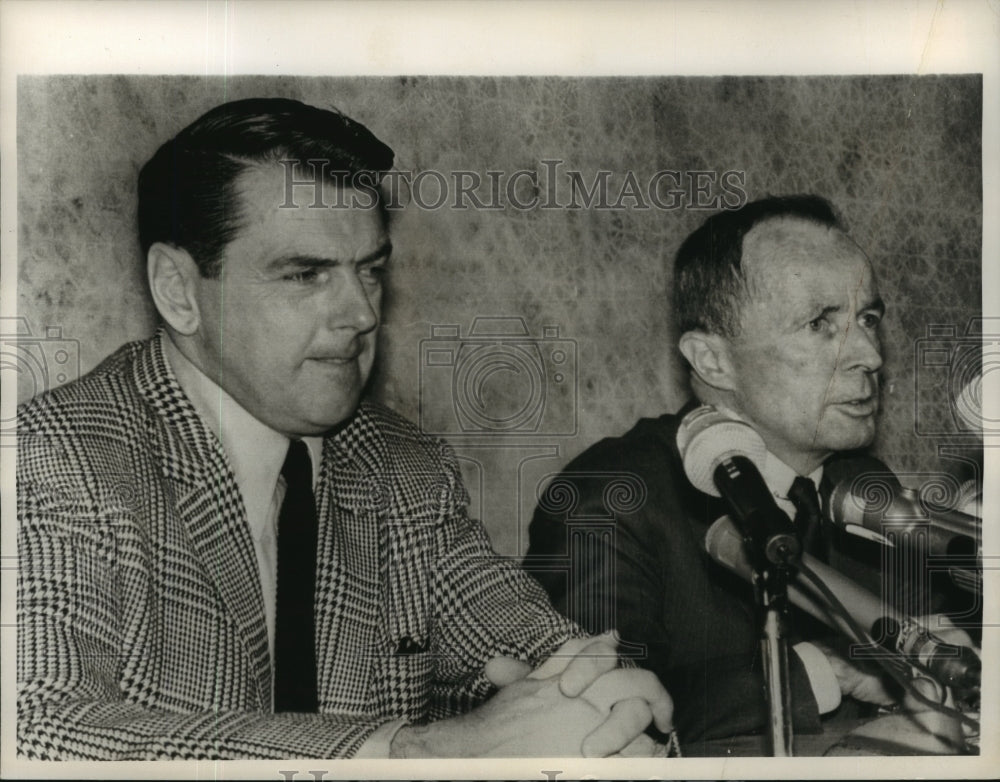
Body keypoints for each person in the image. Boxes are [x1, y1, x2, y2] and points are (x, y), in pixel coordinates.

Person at [15, 97, 673, 760]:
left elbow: (533, 644)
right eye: (306, 274)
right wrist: (414, 754)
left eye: (371, 270)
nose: (360, 312)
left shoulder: (404, 467)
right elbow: (38, 732)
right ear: (179, 290)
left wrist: (596, 703)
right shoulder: (52, 457)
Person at [526, 195, 925, 744]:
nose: (870, 355)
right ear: (713, 360)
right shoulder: (610, 497)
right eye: (820, 324)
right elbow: (591, 719)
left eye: (869, 319)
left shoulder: (864, 485)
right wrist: (829, 671)